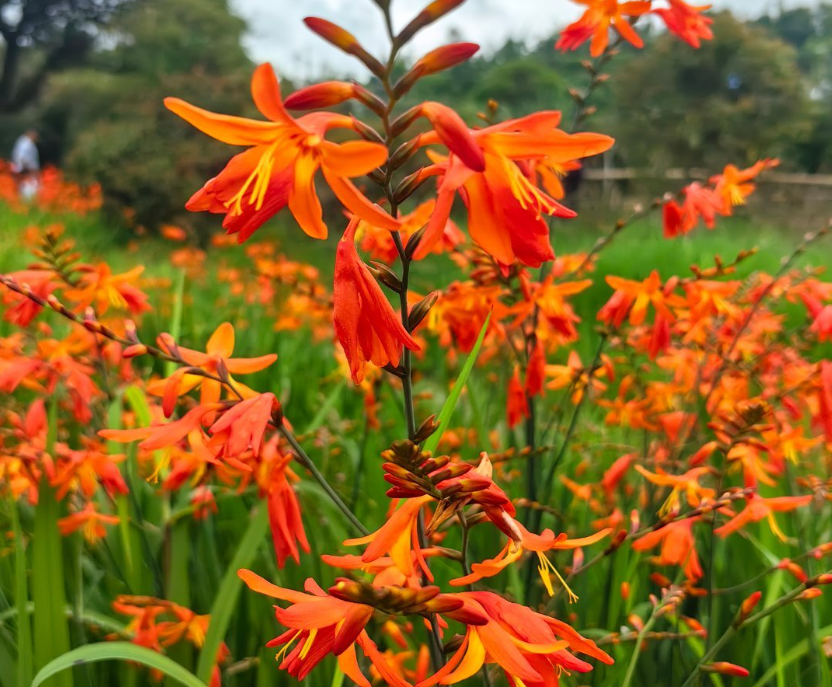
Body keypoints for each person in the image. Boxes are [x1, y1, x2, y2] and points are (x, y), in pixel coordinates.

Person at [11, 129, 41, 200]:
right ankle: (27, 201)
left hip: (24, 168)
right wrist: (29, 169)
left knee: (23, 186)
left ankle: (25, 200)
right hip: (26, 169)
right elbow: (23, 157)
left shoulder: (23, 142)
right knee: (29, 185)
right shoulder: (26, 144)